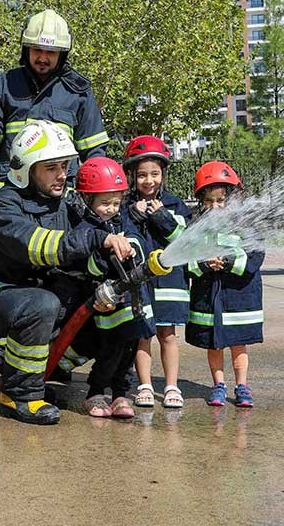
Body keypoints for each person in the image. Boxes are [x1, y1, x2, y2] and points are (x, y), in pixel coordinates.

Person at [0, 120, 135, 425]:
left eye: (65, 165)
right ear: (26, 169)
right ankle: (21, 394)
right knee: (42, 304)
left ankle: (41, 371)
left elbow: (85, 253)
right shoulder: (2, 206)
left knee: (106, 315)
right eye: (51, 167)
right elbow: (40, 246)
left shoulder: (65, 206)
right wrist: (96, 239)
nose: (62, 174)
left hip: (41, 292)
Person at [0, 9, 109, 188]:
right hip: (10, 198)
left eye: (50, 52)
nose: (42, 57)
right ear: (26, 49)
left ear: (62, 54)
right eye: (37, 49)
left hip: (60, 204)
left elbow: (94, 153)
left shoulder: (78, 92)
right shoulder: (4, 85)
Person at [185, 161, 265, 408]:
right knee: (214, 342)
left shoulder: (247, 225)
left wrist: (229, 262)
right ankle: (218, 385)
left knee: (238, 343)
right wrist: (204, 264)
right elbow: (186, 260)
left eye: (221, 200)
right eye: (209, 201)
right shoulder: (196, 226)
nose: (215, 206)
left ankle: (242, 386)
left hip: (238, 297)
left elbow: (256, 257)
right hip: (210, 297)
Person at [68, 156, 144, 419]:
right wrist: (105, 253)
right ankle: (96, 392)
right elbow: (86, 265)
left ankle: (121, 393)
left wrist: (133, 249)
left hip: (131, 301)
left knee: (130, 348)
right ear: (86, 200)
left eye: (116, 202)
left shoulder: (124, 221)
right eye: (104, 203)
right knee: (110, 349)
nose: (112, 209)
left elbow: (140, 244)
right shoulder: (86, 229)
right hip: (105, 304)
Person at [121, 136, 193, 409]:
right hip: (140, 284)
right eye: (141, 175)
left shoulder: (175, 206)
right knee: (142, 334)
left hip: (169, 282)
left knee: (168, 335)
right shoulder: (126, 206)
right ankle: (145, 386)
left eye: (154, 174)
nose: (148, 180)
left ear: (163, 174)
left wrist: (161, 216)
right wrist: (132, 216)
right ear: (132, 176)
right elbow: (122, 237)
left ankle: (172, 387)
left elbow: (184, 240)